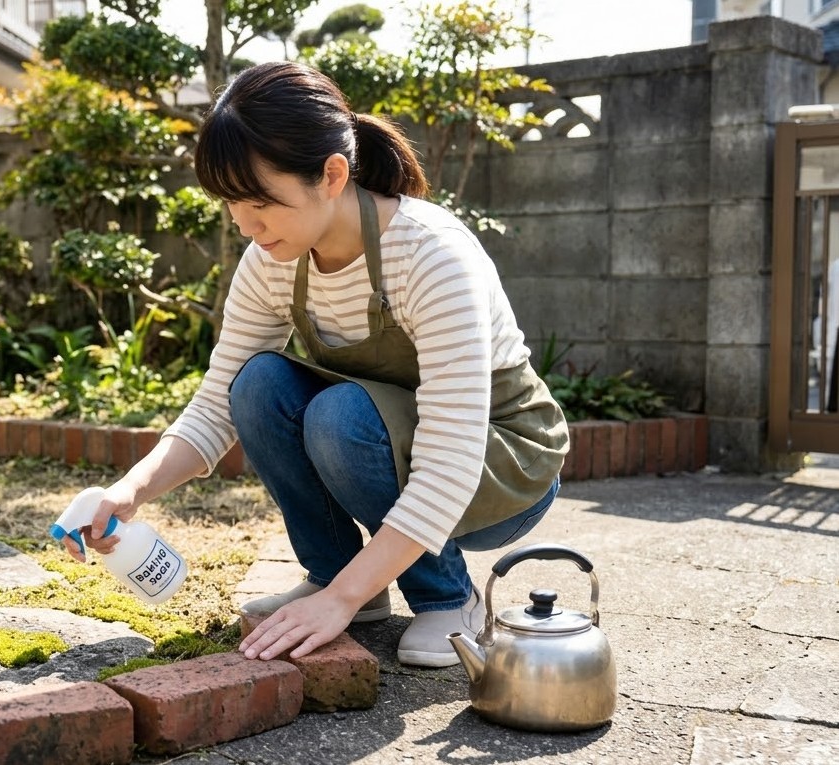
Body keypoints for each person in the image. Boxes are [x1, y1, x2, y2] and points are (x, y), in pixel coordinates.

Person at [60, 60, 569, 667]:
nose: (245, 225)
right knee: (257, 385)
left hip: (499, 466)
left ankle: (448, 600)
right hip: (393, 445)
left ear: (331, 175)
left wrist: (339, 603)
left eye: (259, 203)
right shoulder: (272, 257)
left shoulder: (431, 256)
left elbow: (451, 458)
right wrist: (129, 491)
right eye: (229, 203)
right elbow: (219, 401)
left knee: (339, 414)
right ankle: (342, 579)